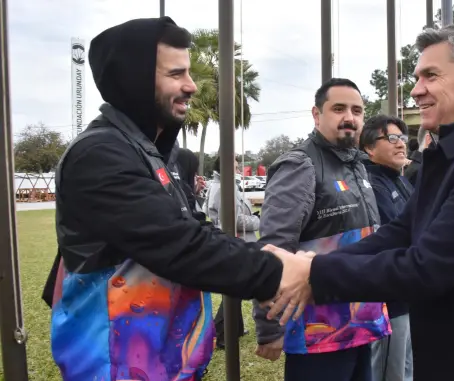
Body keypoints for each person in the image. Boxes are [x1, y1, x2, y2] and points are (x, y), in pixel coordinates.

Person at [265, 24, 454, 381]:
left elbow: (426, 267)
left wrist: (315, 272)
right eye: (418, 77)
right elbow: (402, 231)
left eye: (431, 76)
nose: (416, 90)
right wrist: (319, 266)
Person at [47, 17, 287, 380]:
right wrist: (280, 271)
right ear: (134, 79)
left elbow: (194, 228)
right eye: (176, 74)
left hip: (163, 364)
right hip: (116, 368)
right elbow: (181, 247)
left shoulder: (152, 153)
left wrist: (261, 256)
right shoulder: (99, 154)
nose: (191, 86)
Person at [253, 78, 391, 381]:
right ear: (317, 115)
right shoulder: (300, 165)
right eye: (338, 108)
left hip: (361, 323)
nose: (349, 118)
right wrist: (269, 327)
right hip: (319, 334)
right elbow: (275, 248)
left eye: (357, 110)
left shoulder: (358, 165)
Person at [359, 115, 414, 381]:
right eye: (391, 138)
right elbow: (397, 235)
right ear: (369, 148)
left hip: (409, 290)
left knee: (405, 366)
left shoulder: (400, 179)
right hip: (389, 298)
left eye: (402, 138)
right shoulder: (371, 184)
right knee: (389, 370)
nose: (401, 144)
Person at [204, 155, 261, 347]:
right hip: (235, 242)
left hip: (237, 242)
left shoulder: (225, 185)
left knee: (237, 289)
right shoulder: (222, 188)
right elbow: (233, 219)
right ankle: (221, 334)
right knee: (235, 291)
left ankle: (234, 329)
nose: (238, 170)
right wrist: (257, 220)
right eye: (235, 167)